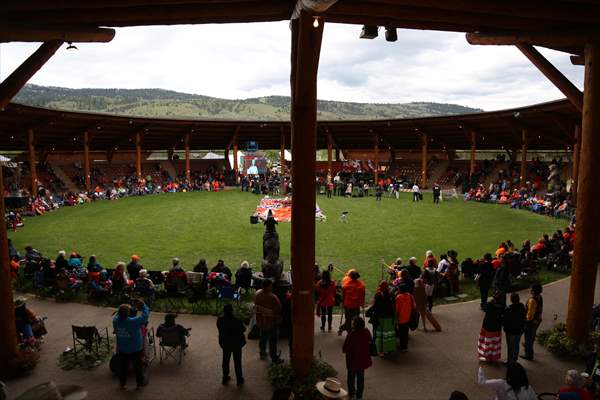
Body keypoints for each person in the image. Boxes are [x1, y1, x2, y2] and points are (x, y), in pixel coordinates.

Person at [113, 299, 149, 390]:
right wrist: (143, 305)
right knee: (138, 367)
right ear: (128, 313)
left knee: (123, 368)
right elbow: (145, 316)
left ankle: (122, 384)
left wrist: (120, 310)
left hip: (122, 349)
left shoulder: (115, 321)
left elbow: (117, 315)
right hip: (135, 349)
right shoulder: (134, 322)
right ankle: (139, 384)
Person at [342, 317, 372, 400]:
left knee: (351, 378)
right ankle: (359, 395)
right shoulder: (366, 332)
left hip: (352, 361)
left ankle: (351, 393)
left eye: (352, 322)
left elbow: (344, 349)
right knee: (361, 378)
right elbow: (370, 340)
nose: (351, 323)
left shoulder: (351, 335)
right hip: (362, 360)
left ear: (354, 325)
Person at [217, 304, 246, 386]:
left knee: (225, 360)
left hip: (225, 343)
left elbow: (219, 327)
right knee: (237, 361)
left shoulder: (220, 319)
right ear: (232, 311)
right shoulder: (237, 320)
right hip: (236, 343)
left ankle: (225, 377)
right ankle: (239, 379)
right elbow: (244, 329)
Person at [254, 279, 283, 364]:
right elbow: (279, 309)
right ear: (268, 286)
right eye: (271, 285)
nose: (272, 287)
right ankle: (274, 358)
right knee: (273, 340)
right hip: (271, 322)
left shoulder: (257, 294)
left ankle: (262, 353)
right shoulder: (273, 297)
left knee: (263, 336)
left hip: (261, 321)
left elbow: (256, 307)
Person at [369, 281, 396, 355]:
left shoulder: (378, 295)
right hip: (389, 318)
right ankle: (388, 349)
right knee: (388, 335)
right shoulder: (392, 295)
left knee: (380, 336)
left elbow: (375, 307)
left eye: (380, 286)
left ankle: (380, 351)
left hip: (380, 318)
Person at [478, 292, 505, 363]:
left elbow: (484, 307)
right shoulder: (502, 307)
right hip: (497, 328)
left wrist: (491, 302)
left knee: (487, 343)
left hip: (487, 327)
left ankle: (485, 357)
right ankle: (493, 358)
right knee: (495, 344)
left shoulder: (489, 305)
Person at [339, 270, 365, 335]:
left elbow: (343, 295)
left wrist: (342, 302)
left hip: (348, 306)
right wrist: (362, 303)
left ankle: (347, 331)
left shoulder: (346, 285)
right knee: (354, 320)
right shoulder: (361, 285)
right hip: (356, 306)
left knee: (348, 320)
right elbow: (362, 296)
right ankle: (350, 333)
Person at [503, 293, 526, 364]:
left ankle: (510, 361)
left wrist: (505, 328)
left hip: (511, 331)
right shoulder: (522, 306)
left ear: (511, 300)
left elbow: (505, 321)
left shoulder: (508, 309)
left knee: (510, 347)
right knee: (516, 344)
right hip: (519, 330)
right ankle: (515, 359)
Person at [522, 283, 543, 361]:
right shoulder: (540, 297)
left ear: (533, 291)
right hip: (537, 320)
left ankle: (528, 354)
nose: (530, 290)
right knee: (532, 335)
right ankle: (528, 347)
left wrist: (526, 321)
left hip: (531, 322)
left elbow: (530, 314)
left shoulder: (532, 300)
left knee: (528, 337)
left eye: (531, 289)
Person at [395, 284, 416, 352]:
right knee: (406, 332)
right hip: (408, 317)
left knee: (401, 333)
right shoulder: (410, 296)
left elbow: (397, 309)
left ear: (400, 290)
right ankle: (405, 345)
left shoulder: (398, 297)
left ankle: (402, 346)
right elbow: (414, 306)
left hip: (401, 318)